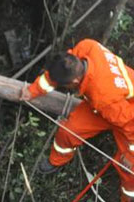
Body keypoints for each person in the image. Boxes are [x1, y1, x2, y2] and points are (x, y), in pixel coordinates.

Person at [21, 38, 134, 202]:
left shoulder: (103, 95)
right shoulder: (86, 47)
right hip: (109, 104)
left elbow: (130, 124)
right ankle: (57, 160)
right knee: (68, 131)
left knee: (128, 169)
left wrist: (130, 155)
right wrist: (32, 91)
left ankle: (128, 197)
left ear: (74, 82)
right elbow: (56, 75)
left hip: (128, 114)